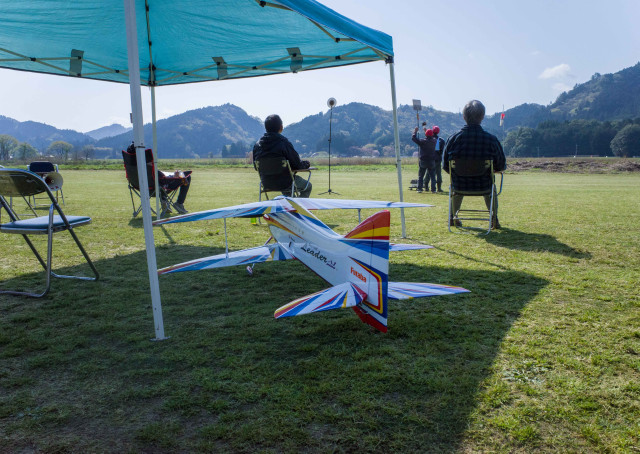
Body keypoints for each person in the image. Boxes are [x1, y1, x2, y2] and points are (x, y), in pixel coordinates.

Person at [442, 100, 506, 228]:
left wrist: (461, 172)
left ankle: (452, 217)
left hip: (459, 184)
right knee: (491, 186)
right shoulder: (491, 140)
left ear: (464, 117)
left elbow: (445, 166)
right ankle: (494, 219)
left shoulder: (453, 139)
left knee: (455, 186)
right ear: (482, 117)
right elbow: (501, 165)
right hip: (484, 185)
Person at [253, 114, 312, 198]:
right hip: (285, 182)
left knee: (287, 188)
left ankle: (292, 204)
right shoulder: (283, 142)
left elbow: (256, 167)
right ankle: (297, 205)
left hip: (266, 183)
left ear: (266, 128)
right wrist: (306, 164)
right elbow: (297, 164)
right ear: (281, 127)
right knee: (308, 187)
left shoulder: (257, 145)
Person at [126, 143, 191, 216]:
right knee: (187, 176)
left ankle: (164, 201)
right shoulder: (146, 163)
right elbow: (161, 177)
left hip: (140, 188)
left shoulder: (129, 165)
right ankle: (178, 203)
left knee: (159, 181)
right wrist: (174, 176)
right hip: (157, 189)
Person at [411, 127, 437, 193]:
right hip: (431, 161)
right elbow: (432, 137)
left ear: (426, 135)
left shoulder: (422, 141)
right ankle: (433, 189)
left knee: (421, 176)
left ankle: (420, 189)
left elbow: (414, 138)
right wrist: (426, 132)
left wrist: (415, 131)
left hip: (423, 161)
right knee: (433, 176)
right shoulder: (434, 141)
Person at [432, 125, 445, 192]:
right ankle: (439, 188)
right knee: (438, 173)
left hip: (431, 159)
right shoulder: (441, 140)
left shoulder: (430, 139)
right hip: (438, 159)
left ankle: (426, 186)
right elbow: (442, 151)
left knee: (429, 173)